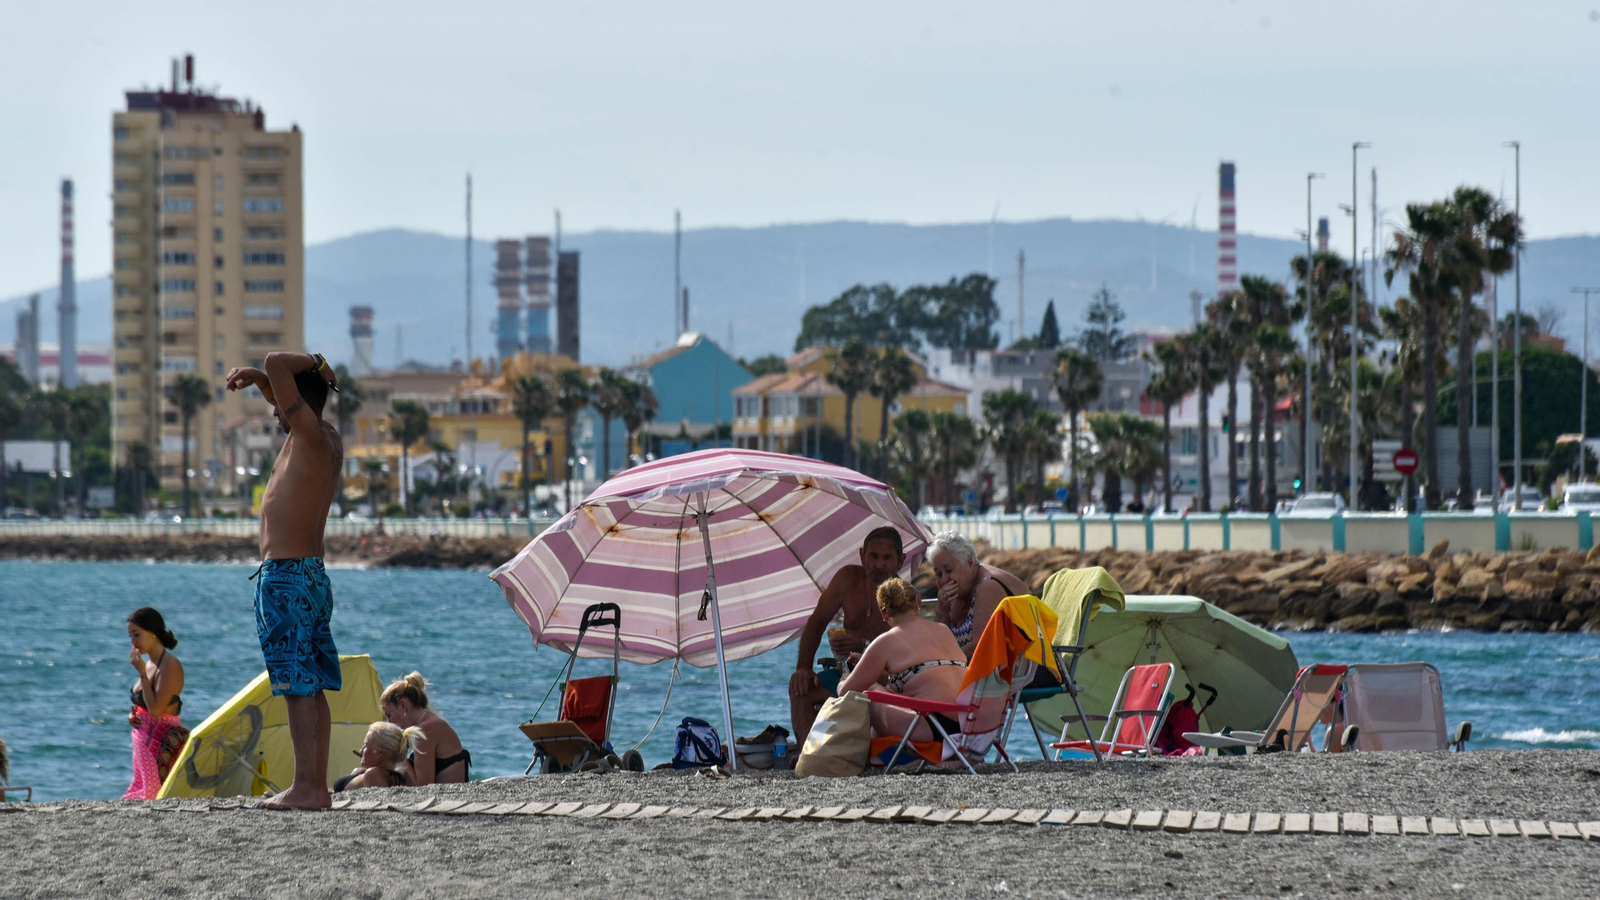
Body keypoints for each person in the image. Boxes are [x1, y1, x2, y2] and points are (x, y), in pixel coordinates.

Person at [226, 351, 343, 810]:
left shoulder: (309, 435)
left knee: (297, 687)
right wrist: (261, 380)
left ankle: (307, 788)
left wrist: (315, 361)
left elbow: (277, 361)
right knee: (310, 683)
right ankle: (315, 786)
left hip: (287, 579)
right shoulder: (324, 438)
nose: (275, 408)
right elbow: (280, 382)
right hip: (310, 576)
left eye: (282, 402)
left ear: (300, 401)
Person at [788, 526, 906, 739]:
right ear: (862, 555)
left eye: (887, 558)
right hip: (844, 676)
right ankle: (809, 758)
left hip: (883, 684)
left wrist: (864, 646)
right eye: (873, 556)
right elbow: (816, 622)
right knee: (800, 688)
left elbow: (907, 654)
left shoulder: (904, 596)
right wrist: (803, 667)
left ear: (901, 561)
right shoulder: (847, 579)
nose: (879, 564)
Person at [838, 578, 967, 741]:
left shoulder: (884, 642)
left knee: (866, 690)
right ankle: (880, 757)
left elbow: (846, 692)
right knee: (882, 688)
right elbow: (921, 678)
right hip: (966, 727)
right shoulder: (944, 630)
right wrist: (875, 670)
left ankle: (844, 755)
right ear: (917, 602)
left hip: (931, 728)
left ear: (883, 613)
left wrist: (844, 679)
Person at [928, 531, 1028, 658]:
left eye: (949, 570)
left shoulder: (988, 585)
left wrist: (945, 664)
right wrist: (942, 609)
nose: (944, 579)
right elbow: (938, 646)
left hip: (1030, 673)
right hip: (994, 675)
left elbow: (981, 647)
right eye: (938, 573)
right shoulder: (957, 592)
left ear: (970, 563)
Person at [122, 607, 186, 800]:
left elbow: (157, 710)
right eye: (130, 636)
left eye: (137, 635)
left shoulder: (170, 665)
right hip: (142, 736)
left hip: (159, 739)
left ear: (152, 633)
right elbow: (145, 704)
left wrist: (141, 673)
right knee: (138, 790)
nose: (133, 641)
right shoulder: (149, 663)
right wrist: (133, 715)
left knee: (151, 794)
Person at [380, 672, 471, 784]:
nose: (390, 722)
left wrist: (398, 756)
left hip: (444, 798)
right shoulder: (432, 722)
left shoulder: (426, 730)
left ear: (403, 705)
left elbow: (423, 786)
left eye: (389, 714)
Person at [333, 722, 420, 792]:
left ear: (380, 752)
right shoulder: (403, 774)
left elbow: (380, 805)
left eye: (365, 745)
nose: (361, 751)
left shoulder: (374, 774)